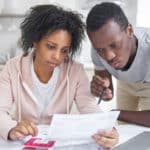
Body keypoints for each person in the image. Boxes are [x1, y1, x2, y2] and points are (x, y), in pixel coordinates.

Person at [0, 4, 119, 149]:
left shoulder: (75, 71)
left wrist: (108, 131)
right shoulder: (13, 67)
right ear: (35, 40)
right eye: (50, 46)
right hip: (24, 141)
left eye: (64, 50)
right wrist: (12, 128)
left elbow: (90, 108)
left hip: (59, 144)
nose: (57, 57)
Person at [86, 2, 150, 127]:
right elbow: (108, 94)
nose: (108, 56)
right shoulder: (97, 49)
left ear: (129, 31)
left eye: (114, 45)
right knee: (124, 130)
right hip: (126, 83)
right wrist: (103, 91)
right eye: (100, 49)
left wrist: (116, 113)